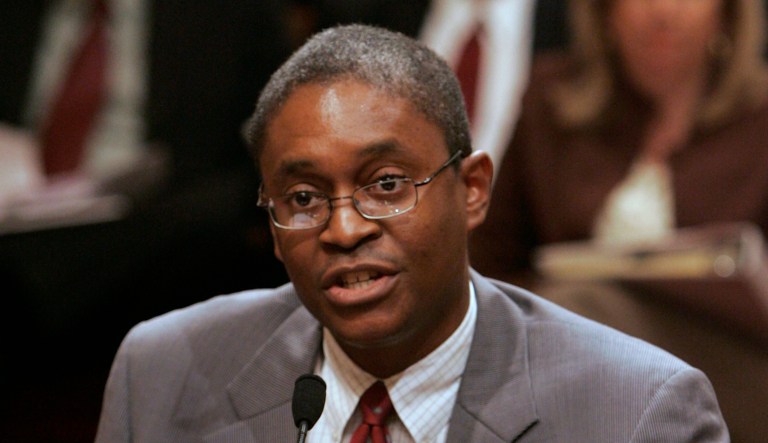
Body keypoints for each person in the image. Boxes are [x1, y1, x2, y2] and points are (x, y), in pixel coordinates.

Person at [95, 24, 728, 442]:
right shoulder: (160, 373)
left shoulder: (640, 413)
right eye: (304, 198)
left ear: (473, 189)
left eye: (387, 185)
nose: (343, 229)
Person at [469, 0, 768, 441]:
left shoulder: (759, 121)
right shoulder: (552, 100)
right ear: (603, 12)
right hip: (568, 366)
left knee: (577, 313)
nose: (662, 11)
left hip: (732, 366)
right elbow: (488, 264)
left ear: (728, 13)